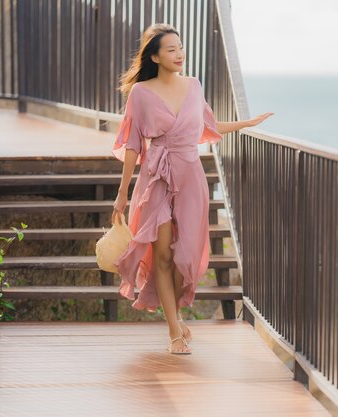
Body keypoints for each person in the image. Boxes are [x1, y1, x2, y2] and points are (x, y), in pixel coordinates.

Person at [111, 23, 273, 354]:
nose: (179, 54)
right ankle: (173, 330)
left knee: (183, 255)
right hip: (155, 176)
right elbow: (131, 143)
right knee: (163, 253)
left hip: (190, 178)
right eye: (171, 49)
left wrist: (246, 123)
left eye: (180, 47)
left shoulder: (194, 86)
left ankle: (177, 317)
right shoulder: (141, 94)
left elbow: (207, 126)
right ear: (155, 56)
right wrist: (123, 191)